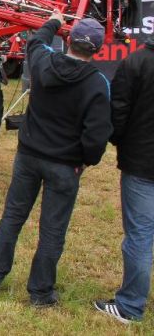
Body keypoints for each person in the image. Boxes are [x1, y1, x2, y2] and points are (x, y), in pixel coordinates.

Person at [0, 11, 112, 307]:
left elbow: (36, 40)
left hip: (28, 156)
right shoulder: (97, 83)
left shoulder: (43, 62)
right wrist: (87, 160)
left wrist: (53, 20)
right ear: (98, 49)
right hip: (65, 165)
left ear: (70, 40)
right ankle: (40, 293)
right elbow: (96, 135)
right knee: (52, 230)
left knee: (12, 217)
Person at [93, 35, 154, 324]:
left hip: (142, 163)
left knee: (139, 236)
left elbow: (118, 111)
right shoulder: (137, 61)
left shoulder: (136, 62)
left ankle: (130, 305)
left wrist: (116, 140)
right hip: (141, 160)